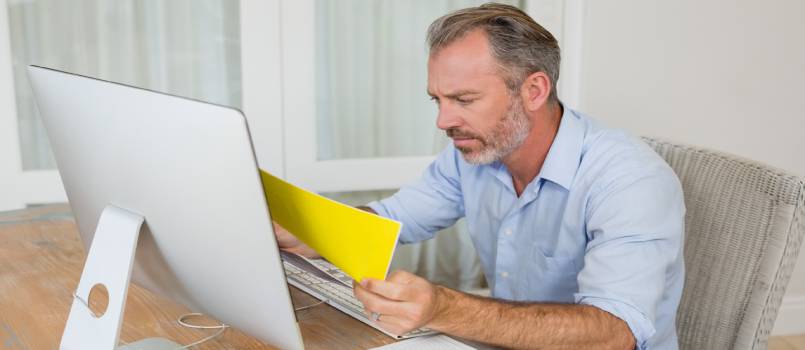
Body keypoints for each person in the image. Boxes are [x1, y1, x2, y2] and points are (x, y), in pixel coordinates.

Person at [275, 3, 684, 349]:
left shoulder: (629, 179)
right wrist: (314, 231)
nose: (443, 120)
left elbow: (616, 332)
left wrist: (443, 308)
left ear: (534, 91)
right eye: (437, 99)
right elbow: (395, 216)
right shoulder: (475, 152)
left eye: (463, 99)